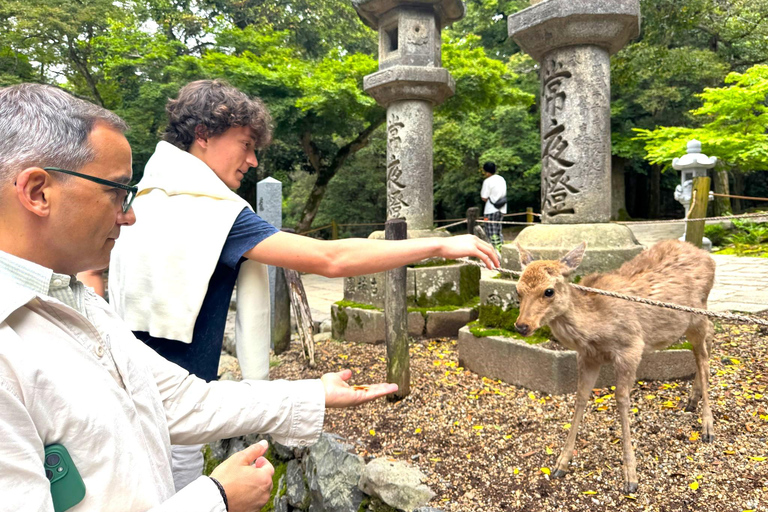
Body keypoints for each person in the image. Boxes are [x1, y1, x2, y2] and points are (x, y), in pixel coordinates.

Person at [0, 82, 398, 512]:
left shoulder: (78, 301)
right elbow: (330, 256)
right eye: (115, 191)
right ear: (38, 192)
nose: (130, 215)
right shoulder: (215, 212)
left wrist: (312, 393)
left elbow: (177, 399)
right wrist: (218, 497)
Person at [107, 79, 500, 490]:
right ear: (203, 135)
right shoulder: (214, 211)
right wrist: (440, 243)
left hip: (124, 392)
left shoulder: (141, 197)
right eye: (245, 144)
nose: (254, 160)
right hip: (179, 411)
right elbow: (331, 259)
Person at [480, 161, 507, 251]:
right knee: (498, 230)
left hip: (490, 210)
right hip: (501, 208)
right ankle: (501, 248)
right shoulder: (501, 179)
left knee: (490, 231)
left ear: (486, 171)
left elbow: (484, 197)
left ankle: (493, 250)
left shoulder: (487, 181)